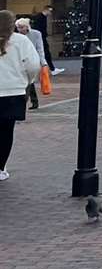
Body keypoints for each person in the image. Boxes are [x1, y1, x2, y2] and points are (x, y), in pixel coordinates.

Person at [0, 10, 42, 182]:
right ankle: (0, 168)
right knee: (5, 131)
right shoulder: (21, 41)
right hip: (13, 92)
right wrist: (27, 81)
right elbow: (33, 65)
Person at [17, 18, 43, 110]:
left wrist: (43, 62)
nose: (20, 29)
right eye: (18, 27)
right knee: (28, 83)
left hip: (32, 61)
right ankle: (31, 101)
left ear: (27, 26)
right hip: (20, 62)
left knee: (30, 82)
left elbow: (40, 48)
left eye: (21, 27)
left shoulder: (36, 34)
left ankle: (28, 101)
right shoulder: (17, 36)